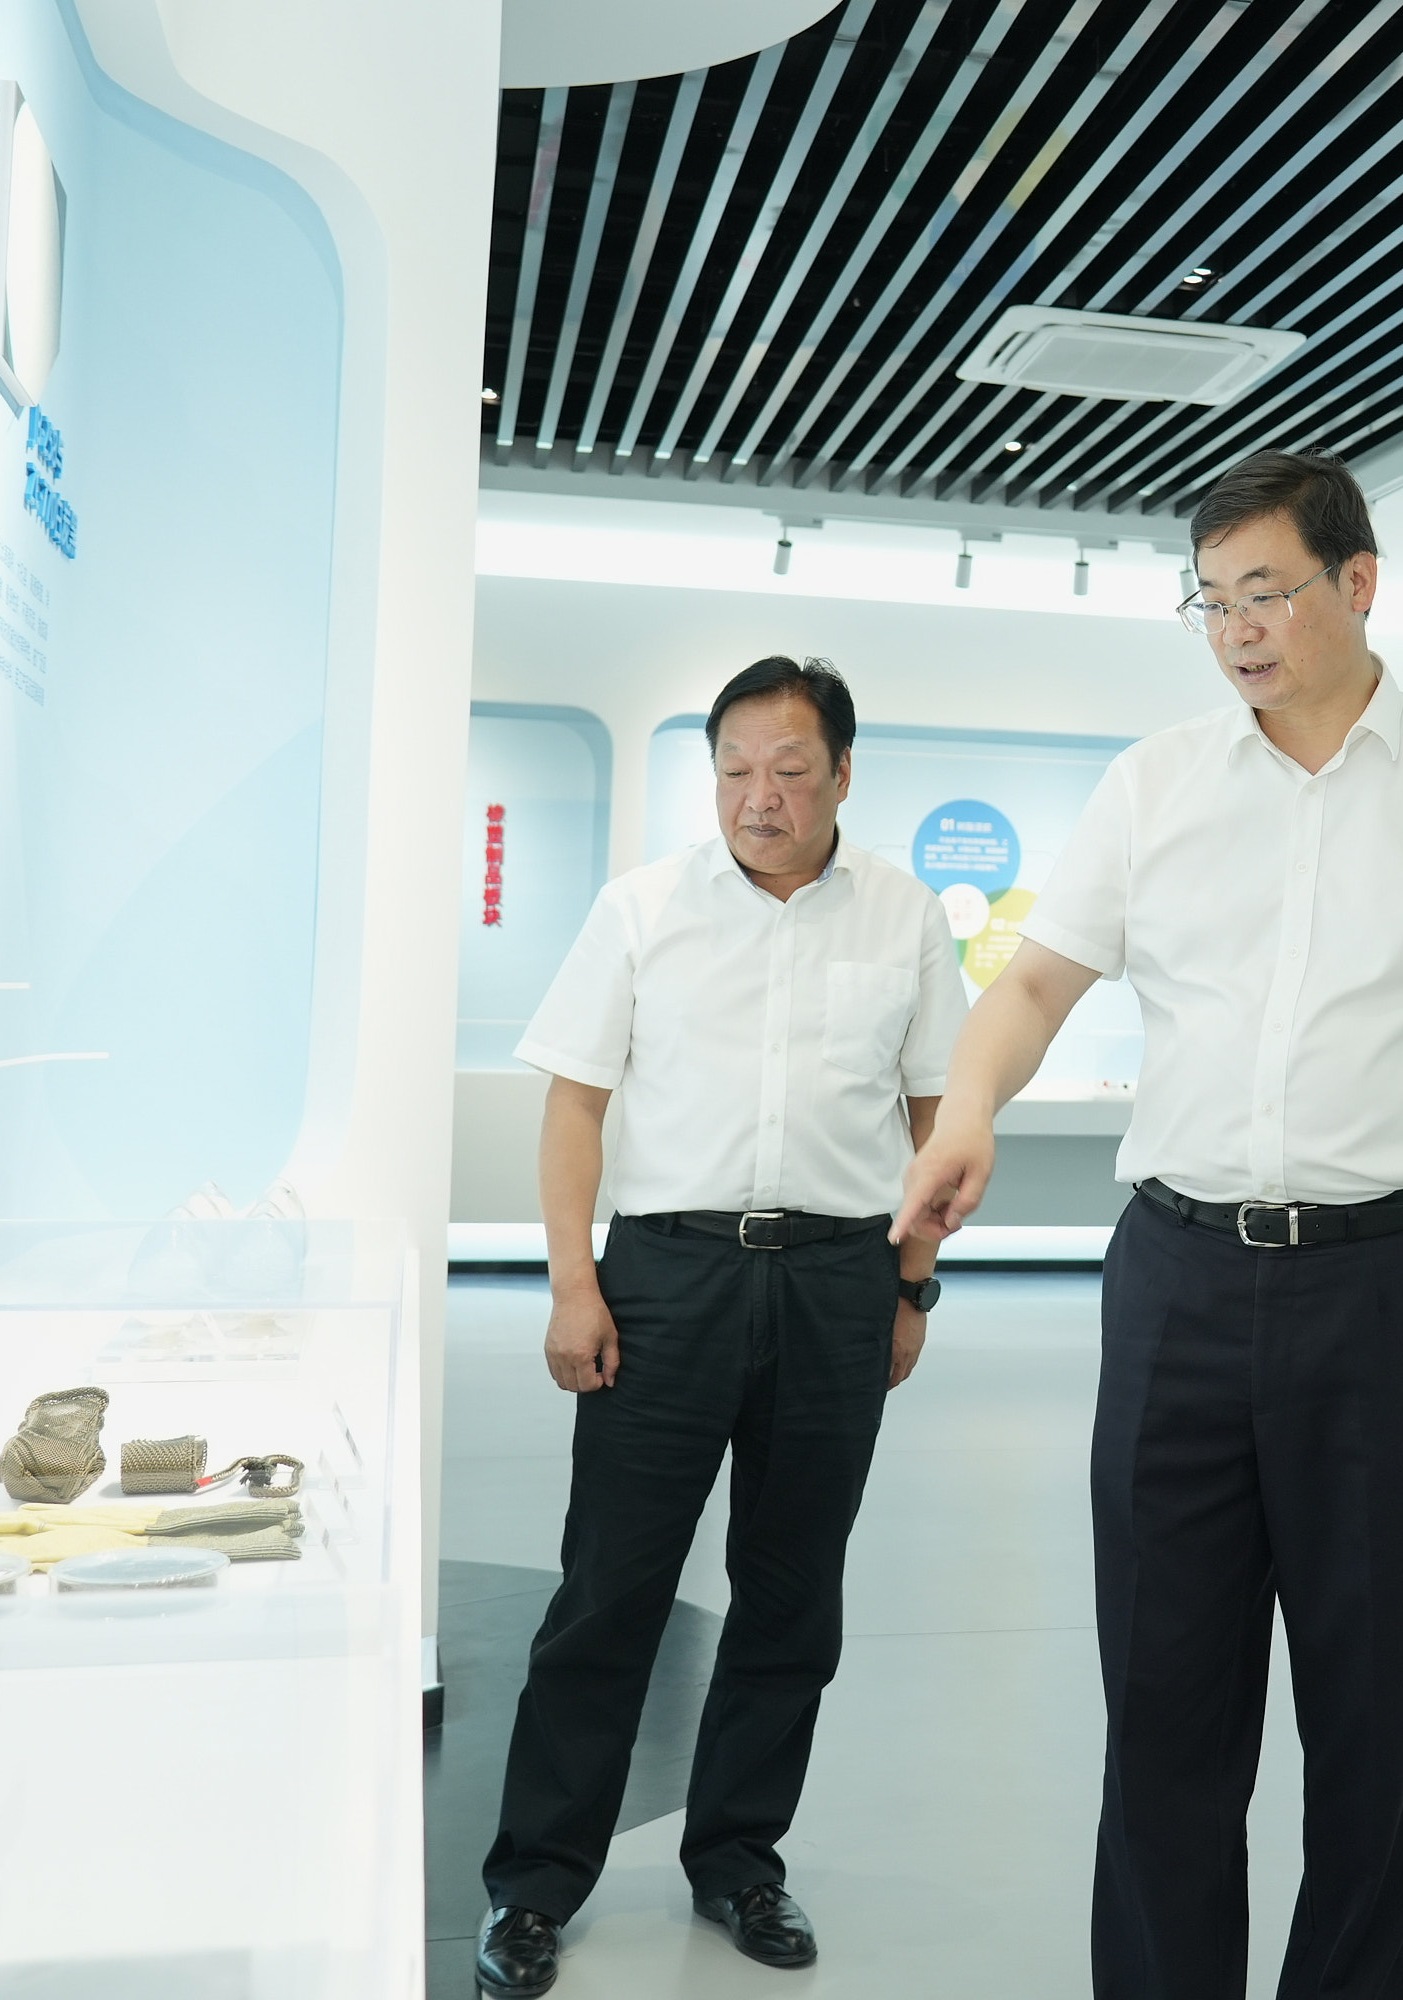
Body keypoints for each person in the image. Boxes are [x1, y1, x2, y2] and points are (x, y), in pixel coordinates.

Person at [892, 451, 1403, 1999]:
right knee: (1163, 1700)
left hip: (1387, 1292)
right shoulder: (1155, 782)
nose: (1236, 629)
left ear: (1359, 584)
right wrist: (966, 1113)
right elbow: (1036, 982)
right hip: (1177, 1281)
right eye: (1212, 601)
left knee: (1372, 1709)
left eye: (1267, 593)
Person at [474, 657, 966, 1998]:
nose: (761, 795)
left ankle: (740, 1858)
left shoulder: (906, 916)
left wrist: (910, 1284)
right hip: (667, 1277)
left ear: (842, 773)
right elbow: (575, 1103)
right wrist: (574, 1283)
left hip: (838, 1279)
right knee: (609, 1590)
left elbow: (937, 1114)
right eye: (737, 768)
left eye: (791, 769)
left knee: (793, 1596)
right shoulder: (642, 910)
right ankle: (534, 1883)